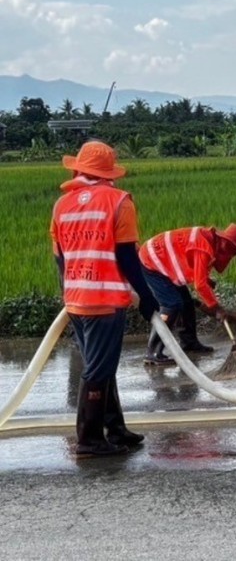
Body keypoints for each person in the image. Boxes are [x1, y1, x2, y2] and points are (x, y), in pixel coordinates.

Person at [50, 140, 160, 458]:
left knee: (101, 365)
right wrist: (147, 297)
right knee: (98, 370)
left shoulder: (61, 205)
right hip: (105, 302)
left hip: (76, 300)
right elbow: (127, 257)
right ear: (108, 173)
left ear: (79, 170)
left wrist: (71, 292)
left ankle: (115, 428)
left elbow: (60, 258)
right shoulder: (119, 201)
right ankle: (89, 439)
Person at [139, 223, 236, 367]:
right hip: (152, 262)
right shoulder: (203, 246)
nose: (234, 253)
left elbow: (193, 264)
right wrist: (216, 308)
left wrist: (205, 278)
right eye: (235, 249)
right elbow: (200, 285)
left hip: (165, 262)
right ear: (225, 242)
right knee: (171, 304)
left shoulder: (210, 242)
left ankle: (189, 343)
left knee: (186, 302)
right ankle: (153, 352)